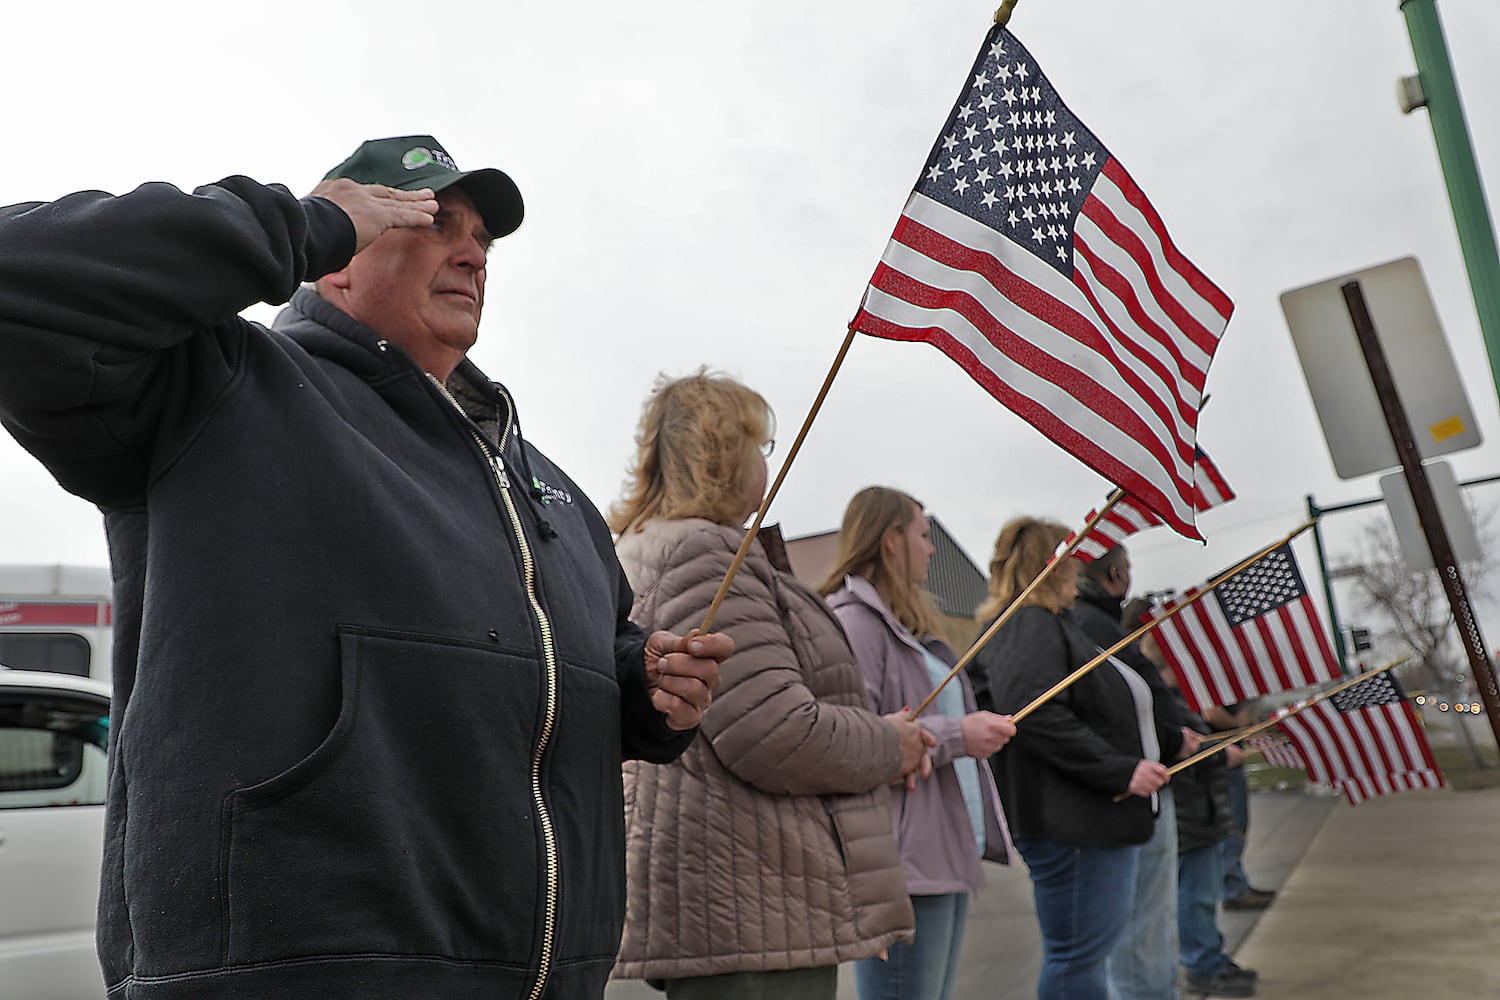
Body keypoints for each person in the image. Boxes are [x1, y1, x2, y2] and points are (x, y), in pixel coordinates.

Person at [0, 135, 731, 1000]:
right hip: (300, 974)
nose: (472, 252)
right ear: (340, 256)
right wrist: (297, 223)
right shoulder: (217, 384)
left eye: (483, 240)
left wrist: (640, 687)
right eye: (430, 221)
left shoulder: (547, 488)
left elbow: (571, 655)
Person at [608, 372, 930, 1000]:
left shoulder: (664, 549)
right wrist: (891, 744)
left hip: (739, 893)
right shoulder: (706, 555)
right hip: (752, 892)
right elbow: (776, 732)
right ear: (725, 454)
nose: (765, 462)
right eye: (759, 445)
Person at [817, 486, 1017, 1000]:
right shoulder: (855, 622)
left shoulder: (908, 627)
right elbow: (851, 738)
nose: (931, 550)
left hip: (942, 848)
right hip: (903, 859)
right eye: (923, 536)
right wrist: (960, 734)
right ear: (890, 540)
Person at [967, 517, 1169, 1000]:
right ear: (1052, 564)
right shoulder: (1027, 622)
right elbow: (1034, 714)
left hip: (1082, 821)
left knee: (1083, 957)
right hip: (1073, 824)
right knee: (1077, 958)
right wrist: (1119, 769)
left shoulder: (1043, 622)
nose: (1078, 569)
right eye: (1070, 558)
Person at [1072, 547, 1198, 1000]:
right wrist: (1171, 739)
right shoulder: (1090, 628)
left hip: (1141, 787)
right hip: (1130, 795)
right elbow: (1114, 714)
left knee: (1150, 923)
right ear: (1115, 572)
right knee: (1139, 928)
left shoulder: (1095, 625)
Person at [1151, 643, 1258, 998]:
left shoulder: (1179, 697)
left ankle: (1209, 955)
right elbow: (1178, 751)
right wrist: (1216, 754)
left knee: (1204, 890)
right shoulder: (1162, 699)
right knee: (1195, 893)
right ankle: (1202, 964)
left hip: (1203, 807)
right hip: (1189, 808)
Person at [1207, 700, 1278, 911]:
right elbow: (1211, 713)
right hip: (1221, 757)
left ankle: (1237, 883)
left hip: (1227, 755)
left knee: (1236, 826)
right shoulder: (1204, 678)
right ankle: (1233, 889)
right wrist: (1241, 727)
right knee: (1232, 826)